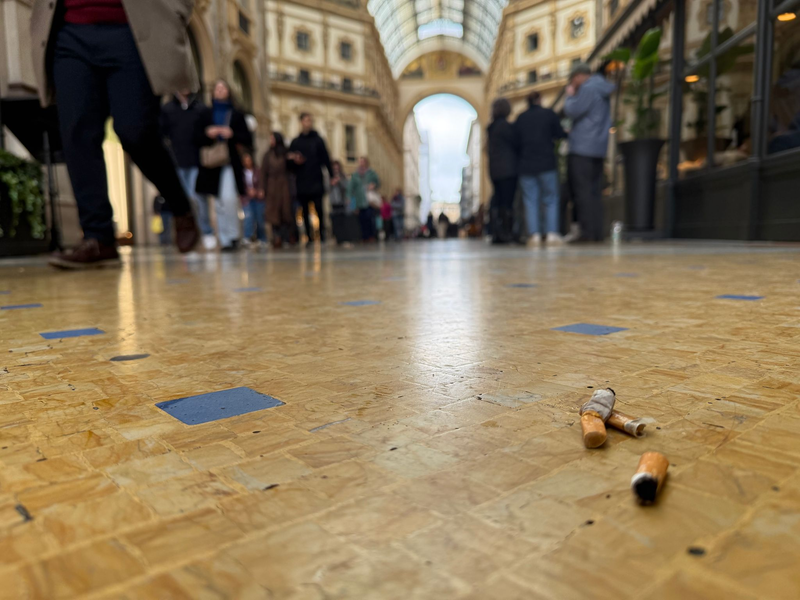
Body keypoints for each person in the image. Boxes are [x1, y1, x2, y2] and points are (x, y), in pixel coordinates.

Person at [32, 0, 200, 268]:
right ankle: (98, 237)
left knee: (136, 131)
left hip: (132, 29)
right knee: (77, 133)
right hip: (69, 32)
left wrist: (177, 9)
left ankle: (180, 206)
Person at [195, 80, 253, 252]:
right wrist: (208, 133)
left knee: (229, 198)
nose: (220, 90)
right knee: (218, 202)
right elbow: (196, 137)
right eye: (217, 88)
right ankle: (225, 240)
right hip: (212, 163)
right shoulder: (206, 113)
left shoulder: (236, 114)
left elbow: (248, 139)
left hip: (229, 162)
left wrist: (232, 134)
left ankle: (233, 236)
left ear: (229, 91)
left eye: (223, 88)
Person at [564, 63, 615, 242]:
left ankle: (587, 233)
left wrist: (570, 95)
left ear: (578, 76)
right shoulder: (602, 87)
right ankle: (597, 232)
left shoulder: (587, 88)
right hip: (598, 148)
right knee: (594, 192)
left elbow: (572, 110)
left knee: (582, 193)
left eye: (573, 80)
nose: (573, 83)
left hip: (582, 148)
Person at [161, 90, 217, 251]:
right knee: (183, 201)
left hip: (197, 162)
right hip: (176, 163)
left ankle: (206, 231)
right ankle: (188, 235)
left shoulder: (201, 109)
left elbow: (208, 137)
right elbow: (162, 134)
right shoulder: (167, 109)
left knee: (198, 199)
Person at [515, 91, 567, 246]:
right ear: (540, 99)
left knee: (530, 201)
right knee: (551, 199)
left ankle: (534, 235)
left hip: (526, 165)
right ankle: (551, 233)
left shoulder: (521, 118)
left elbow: (515, 142)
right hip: (546, 163)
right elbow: (559, 134)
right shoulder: (549, 114)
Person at [289, 113, 333, 246]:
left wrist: (331, 175)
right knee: (304, 209)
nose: (308, 123)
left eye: (309, 120)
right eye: (305, 120)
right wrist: (294, 160)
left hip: (316, 179)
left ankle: (321, 234)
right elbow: (289, 162)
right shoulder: (296, 142)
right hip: (302, 180)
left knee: (319, 208)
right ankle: (308, 236)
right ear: (301, 122)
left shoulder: (318, 140)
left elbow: (326, 158)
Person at [487, 98, 518, 244]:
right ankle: (506, 232)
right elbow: (516, 144)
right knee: (507, 201)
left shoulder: (491, 128)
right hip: (508, 169)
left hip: (495, 170)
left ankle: (497, 233)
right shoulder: (506, 127)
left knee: (497, 200)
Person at [260, 132, 295, 249]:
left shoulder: (285, 154)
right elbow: (263, 172)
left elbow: (291, 169)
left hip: (284, 185)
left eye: (272, 139)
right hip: (272, 187)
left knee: (285, 211)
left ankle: (286, 237)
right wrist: (262, 188)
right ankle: (276, 237)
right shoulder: (267, 155)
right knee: (273, 213)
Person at [347, 157, 380, 242]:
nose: (361, 163)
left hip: (369, 200)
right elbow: (350, 188)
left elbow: (378, 182)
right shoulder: (355, 175)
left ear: (366, 163)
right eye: (360, 162)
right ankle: (364, 236)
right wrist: (349, 199)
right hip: (359, 200)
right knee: (362, 220)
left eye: (363, 161)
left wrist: (374, 185)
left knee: (370, 218)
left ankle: (371, 236)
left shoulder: (372, 173)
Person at [241, 153, 266, 249]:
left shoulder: (258, 171)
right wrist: (248, 191)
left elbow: (262, 182)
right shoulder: (241, 173)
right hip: (247, 199)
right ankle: (248, 237)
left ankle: (262, 238)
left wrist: (258, 191)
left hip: (258, 198)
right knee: (248, 217)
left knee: (260, 218)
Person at [329, 161, 355, 245]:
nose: (336, 170)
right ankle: (337, 238)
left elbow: (347, 187)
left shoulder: (343, 176)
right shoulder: (329, 177)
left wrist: (340, 181)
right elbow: (326, 188)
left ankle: (344, 238)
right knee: (335, 221)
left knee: (343, 221)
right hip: (334, 202)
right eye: (334, 169)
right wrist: (331, 183)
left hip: (342, 202)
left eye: (337, 168)